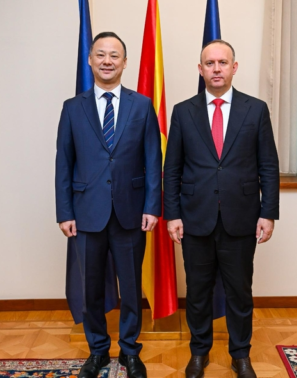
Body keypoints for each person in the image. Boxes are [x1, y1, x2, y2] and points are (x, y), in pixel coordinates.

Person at [163, 39, 280, 378]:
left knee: (239, 293)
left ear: (234, 67)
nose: (216, 69)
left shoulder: (255, 110)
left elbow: (268, 166)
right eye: (210, 63)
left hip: (241, 218)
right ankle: (198, 352)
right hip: (194, 218)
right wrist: (173, 214)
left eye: (222, 62)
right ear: (200, 70)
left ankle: (240, 355)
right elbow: (172, 169)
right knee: (197, 293)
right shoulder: (183, 111)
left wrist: (268, 212)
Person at [55, 31, 161, 378]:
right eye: (100, 54)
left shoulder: (142, 105)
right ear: (90, 60)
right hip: (86, 213)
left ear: (125, 63)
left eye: (114, 55)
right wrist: (65, 212)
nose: (107, 61)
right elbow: (64, 163)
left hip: (131, 211)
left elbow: (152, 159)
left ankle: (130, 351)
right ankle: (98, 350)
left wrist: (152, 206)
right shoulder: (73, 108)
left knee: (130, 288)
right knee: (91, 289)